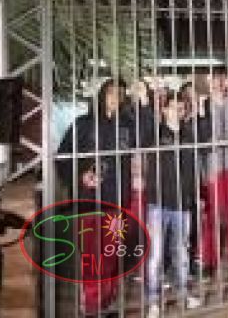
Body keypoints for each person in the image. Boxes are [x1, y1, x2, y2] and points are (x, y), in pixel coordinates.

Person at [57, 77, 138, 315]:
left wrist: (142, 104)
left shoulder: (128, 125)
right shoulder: (83, 124)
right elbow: (62, 157)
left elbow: (147, 137)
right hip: (89, 201)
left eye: (120, 94)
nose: (115, 98)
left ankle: (107, 300)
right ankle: (92, 304)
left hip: (117, 199)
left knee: (112, 251)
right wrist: (81, 176)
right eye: (111, 92)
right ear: (102, 95)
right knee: (92, 253)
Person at [144, 91, 201, 317]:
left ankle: (183, 294)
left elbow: (193, 167)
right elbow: (142, 134)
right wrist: (146, 103)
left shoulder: (188, 134)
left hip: (182, 203)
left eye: (181, 108)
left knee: (182, 252)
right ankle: (153, 300)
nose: (177, 112)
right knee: (156, 254)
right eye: (173, 107)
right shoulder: (155, 132)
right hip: (158, 202)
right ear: (164, 110)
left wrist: (195, 195)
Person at [198, 70, 228, 270]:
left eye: (221, 79)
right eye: (214, 79)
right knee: (213, 213)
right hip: (213, 163)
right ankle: (209, 258)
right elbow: (203, 136)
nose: (218, 83)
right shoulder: (204, 104)